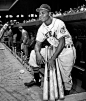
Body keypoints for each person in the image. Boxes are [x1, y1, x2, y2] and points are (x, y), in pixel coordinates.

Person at [24, 4, 76, 95]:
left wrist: (52, 58)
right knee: (33, 53)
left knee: (65, 78)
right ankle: (37, 79)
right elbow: (37, 44)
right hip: (55, 49)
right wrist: (38, 53)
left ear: (50, 13)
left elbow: (62, 43)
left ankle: (67, 94)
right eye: (39, 13)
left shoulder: (58, 23)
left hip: (66, 50)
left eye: (43, 13)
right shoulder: (42, 28)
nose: (40, 15)